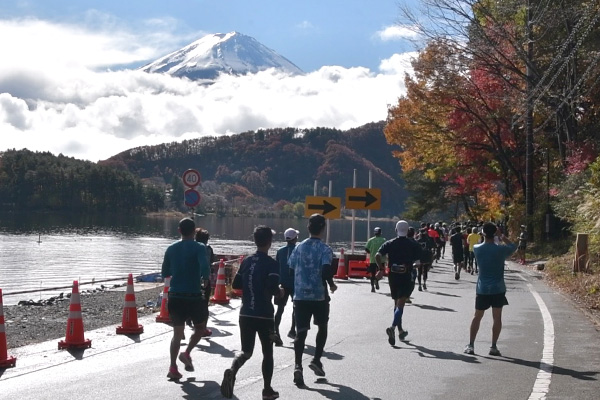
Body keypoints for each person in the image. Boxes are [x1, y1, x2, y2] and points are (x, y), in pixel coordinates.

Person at [220, 226, 281, 400]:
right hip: (265, 315)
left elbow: (237, 285)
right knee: (267, 352)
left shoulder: (246, 261)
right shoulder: (272, 264)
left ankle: (232, 370)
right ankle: (267, 390)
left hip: (246, 313)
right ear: (270, 242)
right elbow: (272, 287)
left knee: (246, 351)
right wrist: (280, 292)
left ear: (255, 241)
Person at [161, 217, 210, 381]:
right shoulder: (200, 247)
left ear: (179, 231)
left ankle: (173, 367)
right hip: (193, 295)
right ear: (194, 231)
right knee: (200, 328)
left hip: (175, 295)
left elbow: (165, 272)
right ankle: (187, 352)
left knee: (177, 334)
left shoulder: (171, 248)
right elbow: (204, 266)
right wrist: (206, 278)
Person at [288, 214, 334, 387]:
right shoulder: (325, 249)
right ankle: (316, 359)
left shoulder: (298, 248)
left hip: (300, 296)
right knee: (322, 326)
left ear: (308, 228)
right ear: (323, 228)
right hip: (318, 295)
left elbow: (291, 269)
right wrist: (331, 283)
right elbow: (326, 271)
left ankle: (297, 366)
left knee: (301, 332)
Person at [464, 222, 517, 356]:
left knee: (477, 316)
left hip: (482, 288)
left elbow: (477, 243)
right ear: (495, 233)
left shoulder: (477, 248)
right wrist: (501, 236)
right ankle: (493, 346)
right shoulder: (500, 250)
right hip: (498, 287)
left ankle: (471, 345)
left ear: (482, 233)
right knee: (497, 317)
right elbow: (513, 246)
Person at [376, 220, 422, 346]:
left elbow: (377, 255)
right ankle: (392, 327)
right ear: (407, 231)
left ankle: (400, 331)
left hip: (392, 275)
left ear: (396, 230)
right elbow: (417, 263)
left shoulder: (389, 243)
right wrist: (413, 265)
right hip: (406, 275)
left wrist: (381, 269)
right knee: (401, 304)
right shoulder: (413, 244)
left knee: (396, 303)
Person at [273, 227, 299, 346]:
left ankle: (276, 332)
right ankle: (293, 330)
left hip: (282, 283)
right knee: (296, 308)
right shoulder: (299, 250)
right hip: (295, 283)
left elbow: (277, 267)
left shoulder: (280, 251)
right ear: (295, 238)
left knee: (280, 309)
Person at [194, 228, 216, 336]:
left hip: (191, 279)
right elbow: (210, 263)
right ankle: (204, 328)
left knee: (189, 302)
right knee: (204, 304)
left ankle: (186, 323)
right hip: (203, 280)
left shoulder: (191, 248)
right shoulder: (208, 249)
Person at [365, 227, 386, 293]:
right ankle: (376, 280)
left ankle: (372, 287)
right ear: (381, 233)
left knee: (372, 273)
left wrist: (370, 252)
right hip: (381, 260)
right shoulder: (383, 240)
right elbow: (386, 249)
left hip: (373, 259)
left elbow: (366, 248)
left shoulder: (370, 240)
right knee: (381, 272)